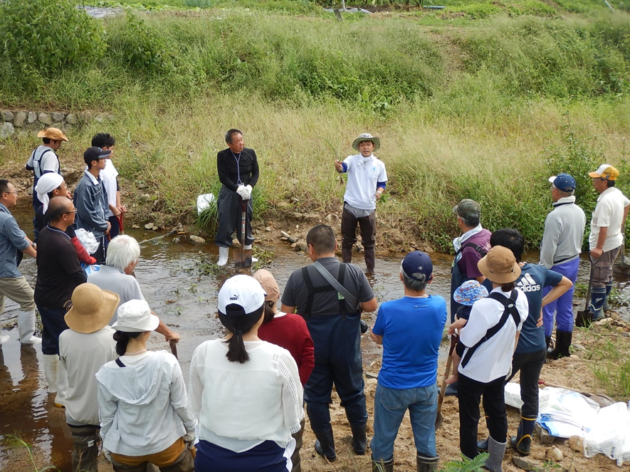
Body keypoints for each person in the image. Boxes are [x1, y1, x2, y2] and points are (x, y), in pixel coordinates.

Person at [281, 224, 377, 462]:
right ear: (336, 246)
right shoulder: (353, 272)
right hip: (346, 348)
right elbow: (370, 306)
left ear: (310, 249)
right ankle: (359, 443)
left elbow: (286, 315)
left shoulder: (297, 277)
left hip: (313, 350)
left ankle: (328, 449)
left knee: (316, 397)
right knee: (354, 393)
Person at [189, 275, 303, 471]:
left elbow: (195, 410)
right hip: (266, 462)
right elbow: (293, 420)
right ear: (261, 314)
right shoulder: (279, 358)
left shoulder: (203, 352)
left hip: (211, 459)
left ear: (220, 315)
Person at [476, 229, 571, 458]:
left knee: (493, 392)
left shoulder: (500, 280)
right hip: (538, 345)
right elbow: (566, 282)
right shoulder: (537, 272)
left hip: (513, 349)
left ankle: (494, 439)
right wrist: (541, 304)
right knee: (531, 392)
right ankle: (524, 440)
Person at [96, 300, 196, 472]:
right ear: (148, 331)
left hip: (126, 451)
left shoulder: (106, 373)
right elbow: (180, 405)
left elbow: (107, 417)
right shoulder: (166, 362)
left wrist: (107, 443)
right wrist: (191, 431)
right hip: (166, 445)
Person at [369, 251, 446, 472]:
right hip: (426, 386)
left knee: (383, 439)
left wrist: (382, 339)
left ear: (401, 277)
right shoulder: (439, 305)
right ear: (430, 280)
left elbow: (378, 336)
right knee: (426, 439)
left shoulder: (388, 309)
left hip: (393, 385)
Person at [457, 246, 528, 472]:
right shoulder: (521, 298)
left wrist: (460, 327)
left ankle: (470, 464)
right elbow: (515, 331)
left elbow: (467, 340)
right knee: (496, 412)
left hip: (473, 371)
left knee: (469, 418)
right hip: (500, 368)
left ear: (489, 274)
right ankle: (495, 463)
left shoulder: (483, 305)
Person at [254, 269, 314, 472]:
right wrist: (297, 386)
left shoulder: (250, 329)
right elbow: (309, 359)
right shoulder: (296, 322)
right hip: (293, 395)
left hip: (260, 397)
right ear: (278, 296)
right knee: (293, 445)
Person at [59, 283, 119, 472]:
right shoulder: (114, 338)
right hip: (109, 412)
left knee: (83, 458)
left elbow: (67, 371)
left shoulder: (64, 337)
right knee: (120, 457)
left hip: (78, 412)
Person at [35, 197, 87, 407]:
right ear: (65, 217)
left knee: (50, 340)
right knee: (67, 345)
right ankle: (64, 396)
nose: (76, 214)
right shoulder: (64, 243)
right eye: (73, 211)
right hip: (59, 302)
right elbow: (78, 276)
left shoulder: (46, 232)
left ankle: (53, 387)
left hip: (43, 297)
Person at [88, 235, 180, 342]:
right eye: (136, 260)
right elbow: (145, 313)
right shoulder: (128, 281)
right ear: (130, 262)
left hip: (95, 336)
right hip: (116, 339)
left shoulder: (91, 277)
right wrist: (169, 333)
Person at [447, 199, 491, 397]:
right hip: (470, 301)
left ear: (460, 221)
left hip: (468, 305)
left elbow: (483, 281)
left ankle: (459, 382)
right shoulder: (485, 234)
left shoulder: (471, 249)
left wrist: (466, 313)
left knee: (463, 341)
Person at [540, 174, 585, 358]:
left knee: (546, 307)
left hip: (556, 266)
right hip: (573, 261)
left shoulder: (555, 216)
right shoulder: (579, 211)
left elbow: (549, 248)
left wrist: (543, 269)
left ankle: (541, 351)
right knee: (566, 306)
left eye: (552, 188)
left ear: (557, 192)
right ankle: (563, 349)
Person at [334, 133, 387, 273]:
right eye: (362, 145)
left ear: (373, 146)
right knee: (347, 241)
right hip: (350, 206)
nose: (365, 147)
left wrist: (379, 192)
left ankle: (370, 272)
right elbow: (343, 167)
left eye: (368, 144)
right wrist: (338, 166)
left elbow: (382, 183)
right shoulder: (352, 159)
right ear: (358, 147)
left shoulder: (379, 165)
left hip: (368, 208)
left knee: (369, 243)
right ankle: (346, 270)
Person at [588, 164, 630, 321]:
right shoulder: (617, 193)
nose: (593, 182)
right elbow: (628, 204)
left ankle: (596, 312)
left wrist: (599, 247)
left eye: (595, 179)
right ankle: (604, 305)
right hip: (615, 241)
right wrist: (620, 223)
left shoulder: (605, 201)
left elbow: (603, 226)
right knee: (607, 272)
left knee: (598, 278)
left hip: (605, 246)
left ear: (604, 181)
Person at [0, 179, 40, 345]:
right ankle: (27, 338)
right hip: (5, 270)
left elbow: (21, 235)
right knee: (29, 299)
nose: (17, 195)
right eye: (14, 192)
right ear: (4, 195)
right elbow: (22, 244)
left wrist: (36, 246)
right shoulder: (6, 219)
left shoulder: (5, 216)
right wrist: (40, 257)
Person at [215, 129, 259, 266]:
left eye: (242, 140)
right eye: (237, 141)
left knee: (246, 222)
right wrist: (237, 188)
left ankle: (247, 255)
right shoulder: (222, 156)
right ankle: (223, 257)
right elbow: (223, 177)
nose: (241, 143)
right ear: (229, 144)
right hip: (229, 192)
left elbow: (256, 173)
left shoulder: (250, 153)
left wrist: (249, 187)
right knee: (225, 221)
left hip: (246, 192)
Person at [34, 173, 96, 265]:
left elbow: (37, 235)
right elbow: (73, 240)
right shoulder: (63, 213)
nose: (66, 188)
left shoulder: (41, 210)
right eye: (64, 185)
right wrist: (88, 259)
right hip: (64, 257)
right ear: (56, 191)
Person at [25, 127, 69, 240]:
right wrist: (62, 193)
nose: (60, 145)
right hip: (48, 197)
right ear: (52, 141)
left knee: (39, 224)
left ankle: (38, 248)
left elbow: (28, 166)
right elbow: (50, 177)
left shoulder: (37, 150)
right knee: (51, 225)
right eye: (59, 142)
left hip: (37, 193)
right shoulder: (50, 155)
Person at [445, 280, 489, 387]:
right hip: (481, 338)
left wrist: (451, 326)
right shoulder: (484, 307)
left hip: (467, 340)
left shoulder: (466, 310)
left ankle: (456, 376)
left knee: (456, 355)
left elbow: (462, 322)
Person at [74, 147, 112, 263]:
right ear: (93, 163)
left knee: (101, 260)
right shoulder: (85, 186)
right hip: (89, 235)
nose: (105, 160)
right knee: (92, 263)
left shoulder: (99, 179)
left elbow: (104, 202)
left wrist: (105, 221)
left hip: (100, 231)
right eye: (102, 158)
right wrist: (103, 225)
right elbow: (86, 213)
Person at [92, 133, 126, 240]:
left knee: (115, 242)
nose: (113, 152)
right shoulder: (95, 168)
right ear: (104, 148)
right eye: (111, 149)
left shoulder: (109, 162)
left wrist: (118, 205)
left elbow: (116, 185)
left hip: (114, 212)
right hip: (103, 214)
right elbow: (98, 194)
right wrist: (112, 207)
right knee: (105, 244)